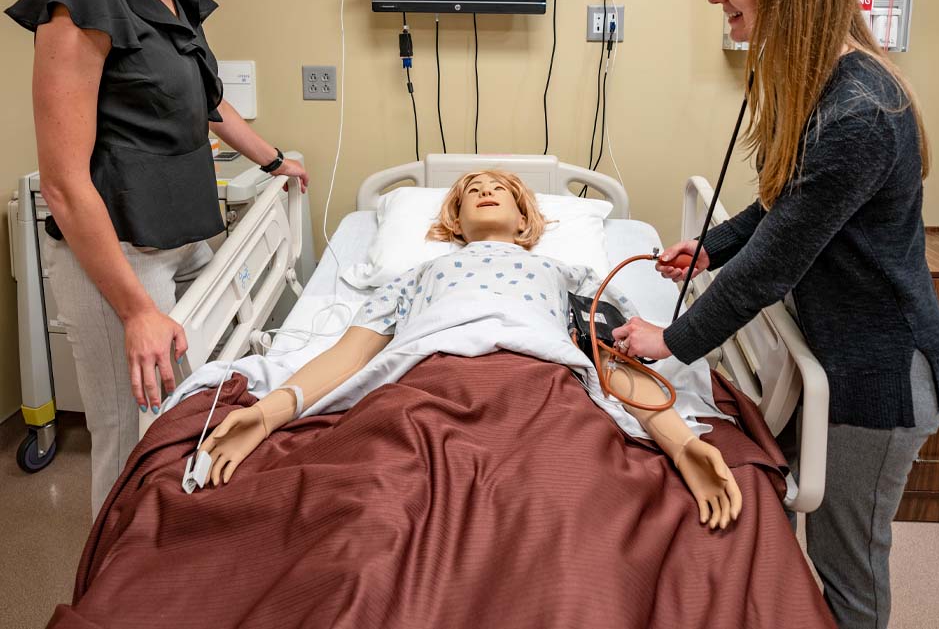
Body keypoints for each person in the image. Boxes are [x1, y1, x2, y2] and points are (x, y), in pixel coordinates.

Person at [614, 0, 939, 628]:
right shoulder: (823, 84)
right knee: (804, 539)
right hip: (835, 352)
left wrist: (668, 341)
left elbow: (772, 270)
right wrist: (713, 244)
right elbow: (784, 207)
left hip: (880, 378)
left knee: (848, 569)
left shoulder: (859, 112)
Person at [5, 0, 309, 516]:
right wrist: (136, 308)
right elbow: (63, 178)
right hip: (120, 257)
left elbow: (207, 103)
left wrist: (274, 161)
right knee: (130, 439)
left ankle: (175, 550)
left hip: (187, 237)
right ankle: (118, 593)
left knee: (186, 420)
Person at [199, 170, 743, 530]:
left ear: (525, 218)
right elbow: (350, 358)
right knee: (373, 510)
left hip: (541, 391)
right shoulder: (419, 274)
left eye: (499, 188)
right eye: (470, 190)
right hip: (424, 389)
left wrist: (679, 444)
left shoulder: (565, 273)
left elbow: (614, 362)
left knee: (563, 506)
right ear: (454, 221)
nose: (484, 189)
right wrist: (264, 414)